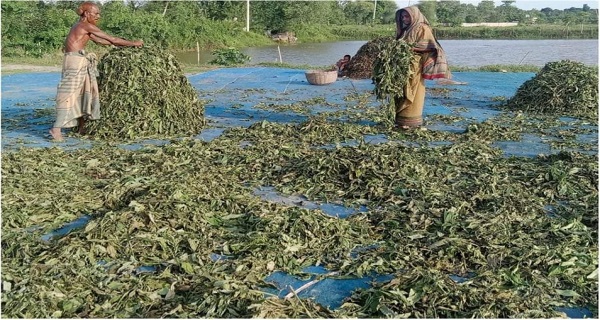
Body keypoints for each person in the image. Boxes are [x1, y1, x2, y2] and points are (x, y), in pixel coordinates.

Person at [49, 1, 143, 141]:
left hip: (77, 61)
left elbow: (102, 41)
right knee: (68, 94)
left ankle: (82, 127)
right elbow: (111, 38)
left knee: (81, 92)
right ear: (87, 14)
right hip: (75, 62)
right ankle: (56, 129)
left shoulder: (83, 27)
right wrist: (134, 43)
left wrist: (121, 44)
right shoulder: (84, 25)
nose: (98, 16)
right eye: (96, 13)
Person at [394, 6, 451, 129]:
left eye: (407, 16)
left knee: (414, 92)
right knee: (401, 91)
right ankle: (400, 119)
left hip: (415, 67)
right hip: (404, 67)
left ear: (414, 15)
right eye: (403, 16)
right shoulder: (406, 29)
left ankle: (411, 121)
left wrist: (410, 48)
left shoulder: (422, 28)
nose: (404, 19)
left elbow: (431, 47)